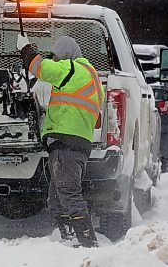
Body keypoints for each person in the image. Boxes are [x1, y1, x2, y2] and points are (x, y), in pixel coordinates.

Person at [18, 34, 104, 248]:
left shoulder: (73, 68)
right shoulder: (91, 76)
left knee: (68, 193)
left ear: (66, 55)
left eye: (57, 57)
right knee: (57, 197)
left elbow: (40, 68)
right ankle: (67, 239)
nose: (56, 61)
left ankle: (86, 241)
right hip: (76, 142)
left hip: (67, 142)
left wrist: (26, 49)